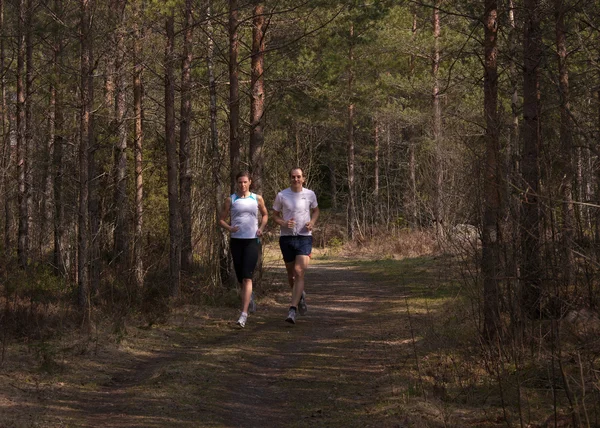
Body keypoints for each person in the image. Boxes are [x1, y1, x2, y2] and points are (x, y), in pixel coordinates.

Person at [219, 171, 268, 328]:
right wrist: (230, 228)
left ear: (250, 182)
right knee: (241, 278)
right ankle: (249, 297)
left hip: (252, 241)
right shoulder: (231, 200)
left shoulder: (257, 198)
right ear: (237, 183)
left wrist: (261, 228)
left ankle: (243, 314)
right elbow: (221, 219)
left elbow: (265, 215)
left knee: (247, 277)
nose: (242, 185)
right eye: (240, 182)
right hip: (236, 242)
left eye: (245, 182)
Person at [272, 167, 320, 324]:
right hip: (287, 238)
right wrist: (284, 223)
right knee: (291, 275)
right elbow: (274, 215)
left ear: (303, 178)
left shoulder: (310, 194)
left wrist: (312, 223)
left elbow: (316, 211)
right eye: (293, 177)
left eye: (298, 177)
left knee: (299, 272)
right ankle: (300, 296)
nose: (296, 179)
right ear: (290, 179)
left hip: (304, 237)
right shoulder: (282, 195)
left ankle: (292, 309)